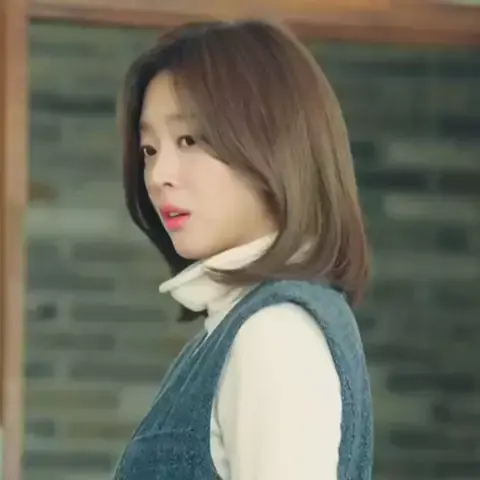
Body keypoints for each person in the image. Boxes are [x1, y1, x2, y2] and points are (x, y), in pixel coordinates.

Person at [115, 18, 373, 480]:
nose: (158, 175)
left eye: (189, 140)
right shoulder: (238, 327)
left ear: (274, 144)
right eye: (149, 149)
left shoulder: (275, 333)